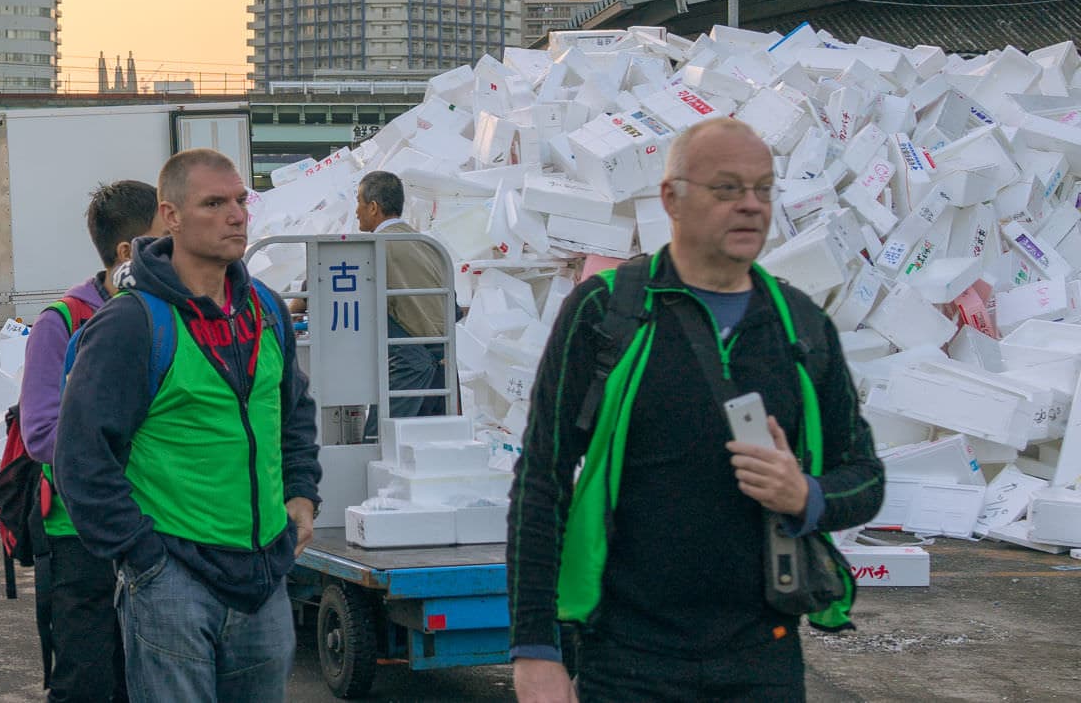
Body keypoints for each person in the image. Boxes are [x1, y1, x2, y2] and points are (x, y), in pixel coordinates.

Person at [508, 118, 885, 703]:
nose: (751, 206)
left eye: (764, 189)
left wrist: (804, 496)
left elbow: (865, 477)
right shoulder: (609, 313)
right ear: (670, 198)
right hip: (627, 660)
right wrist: (535, 650)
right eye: (727, 189)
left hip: (765, 661)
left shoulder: (801, 326)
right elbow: (541, 480)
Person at [56, 149, 321, 702]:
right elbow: (80, 456)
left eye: (241, 201)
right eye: (214, 203)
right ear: (171, 216)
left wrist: (301, 493)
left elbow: (293, 409)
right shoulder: (132, 323)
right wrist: (142, 557)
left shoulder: (267, 311)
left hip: (264, 578)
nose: (237, 215)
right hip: (173, 579)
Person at [19, 180, 159, 703]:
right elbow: (41, 434)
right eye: (166, 238)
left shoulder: (169, 314)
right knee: (87, 678)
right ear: (128, 252)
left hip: (157, 524)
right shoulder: (63, 322)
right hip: (80, 533)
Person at [356, 169, 453, 420]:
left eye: (359, 202)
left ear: (374, 208)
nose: (356, 210)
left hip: (407, 371)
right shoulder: (429, 245)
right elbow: (451, 308)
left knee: (385, 448)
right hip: (444, 369)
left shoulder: (374, 248)